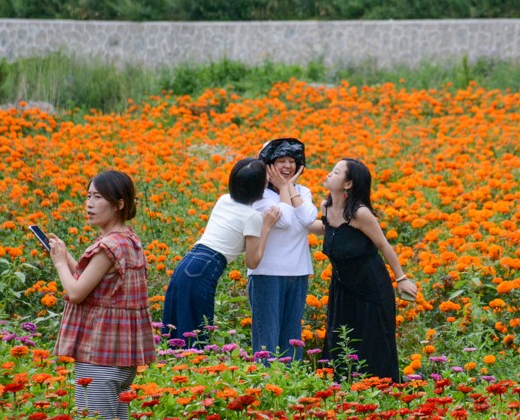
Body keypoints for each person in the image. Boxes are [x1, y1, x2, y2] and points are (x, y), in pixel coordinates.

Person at [48, 170, 156, 420]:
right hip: (121, 358)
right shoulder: (129, 241)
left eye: (98, 197)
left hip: (99, 356)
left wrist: (60, 263)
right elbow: (87, 279)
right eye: (88, 196)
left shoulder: (108, 247)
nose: (89, 204)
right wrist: (64, 255)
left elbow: (76, 293)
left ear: (119, 204)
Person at [311, 158, 417, 381]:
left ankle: (378, 390)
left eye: (336, 172)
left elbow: (383, 245)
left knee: (371, 343)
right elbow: (324, 229)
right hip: (341, 288)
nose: (329, 174)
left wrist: (401, 279)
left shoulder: (360, 214)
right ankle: (342, 388)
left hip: (370, 288)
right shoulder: (326, 207)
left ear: (348, 184)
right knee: (340, 339)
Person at [161, 158, 279, 345]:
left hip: (186, 263)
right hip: (205, 268)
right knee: (198, 331)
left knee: (176, 327)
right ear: (260, 187)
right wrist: (266, 227)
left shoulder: (223, 200)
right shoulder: (253, 217)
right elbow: (252, 262)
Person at [248, 138, 318, 360]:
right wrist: (285, 189)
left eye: (292, 161)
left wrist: (288, 188)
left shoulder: (302, 192)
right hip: (267, 273)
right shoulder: (258, 195)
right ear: (268, 165)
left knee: (292, 338)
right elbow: (285, 220)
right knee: (267, 338)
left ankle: (291, 380)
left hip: (298, 272)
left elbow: (308, 218)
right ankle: (266, 380)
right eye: (281, 161)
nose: (288, 166)